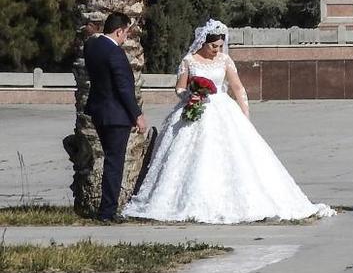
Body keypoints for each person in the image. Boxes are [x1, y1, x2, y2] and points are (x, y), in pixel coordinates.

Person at [124, 19, 332, 223]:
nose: (217, 50)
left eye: (220, 46)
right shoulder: (189, 61)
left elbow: (238, 88)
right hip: (195, 107)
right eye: (213, 46)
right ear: (203, 42)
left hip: (223, 110)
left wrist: (245, 115)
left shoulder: (224, 61)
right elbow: (179, 88)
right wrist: (191, 93)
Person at [83, 13, 148, 222]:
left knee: (110, 159)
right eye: (126, 32)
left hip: (99, 111)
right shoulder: (115, 53)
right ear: (119, 31)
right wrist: (137, 115)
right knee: (114, 162)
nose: (126, 37)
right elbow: (123, 88)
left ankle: (107, 208)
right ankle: (107, 211)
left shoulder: (92, 47)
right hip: (116, 116)